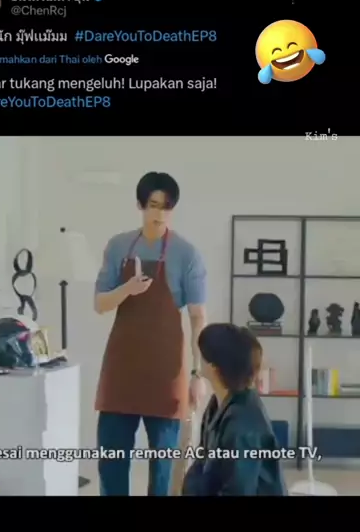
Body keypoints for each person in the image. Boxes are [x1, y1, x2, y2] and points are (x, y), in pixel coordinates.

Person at [94, 171, 207, 496]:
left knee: (163, 472)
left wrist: (198, 374)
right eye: (154, 205)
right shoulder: (118, 246)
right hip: (121, 371)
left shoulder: (187, 254)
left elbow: (198, 317)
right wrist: (127, 289)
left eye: (167, 207)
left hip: (165, 373)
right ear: (140, 205)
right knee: (111, 464)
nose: (160, 214)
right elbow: (100, 304)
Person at [182, 324, 287, 496]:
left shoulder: (243, 424)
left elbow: (238, 490)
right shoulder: (217, 403)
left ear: (214, 368)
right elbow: (201, 467)